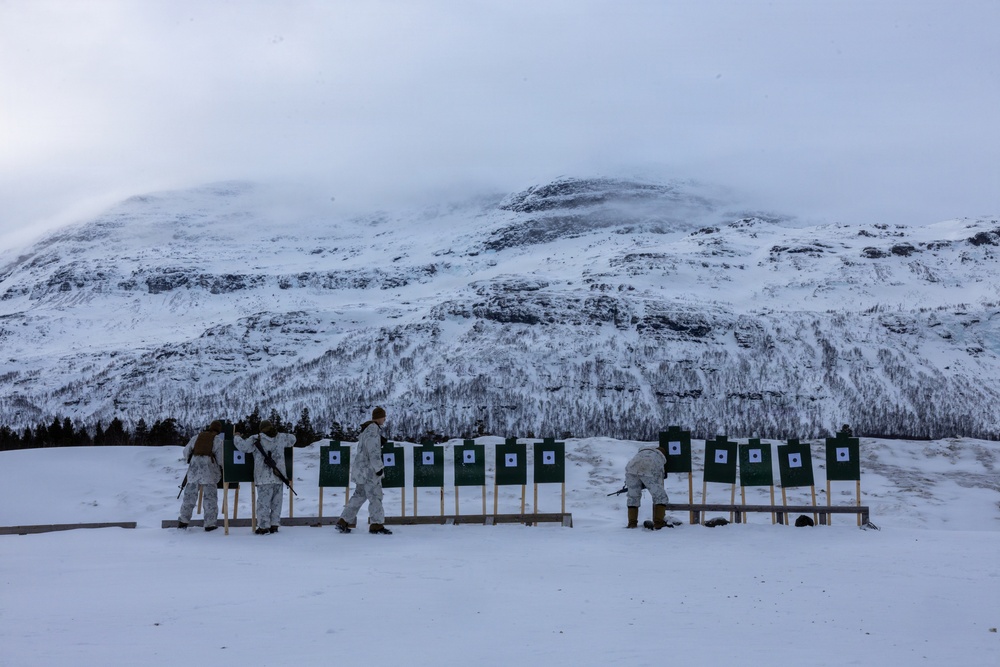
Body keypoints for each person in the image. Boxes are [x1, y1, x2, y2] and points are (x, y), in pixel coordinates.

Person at [335, 406, 392, 535]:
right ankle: (376, 524)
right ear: (380, 417)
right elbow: (373, 452)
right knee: (375, 496)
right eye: (384, 416)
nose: (384, 419)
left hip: (361, 470)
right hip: (369, 471)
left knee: (359, 496)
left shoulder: (367, 430)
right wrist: (379, 468)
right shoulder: (373, 430)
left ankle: (343, 521)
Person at [234, 419, 297, 534]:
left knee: (263, 503)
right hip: (279, 475)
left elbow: (243, 447)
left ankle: (263, 527)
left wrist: (237, 437)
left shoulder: (255, 438)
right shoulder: (281, 437)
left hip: (263, 477)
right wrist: (280, 434)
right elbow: (293, 439)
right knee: (276, 503)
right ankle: (274, 525)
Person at [177, 420, 225, 531]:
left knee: (189, 498)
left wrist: (192, 460)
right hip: (209, 472)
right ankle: (210, 524)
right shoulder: (217, 440)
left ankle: (183, 521)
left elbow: (186, 452)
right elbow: (221, 459)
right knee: (210, 499)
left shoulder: (196, 437)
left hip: (194, 471)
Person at [624, 442, 670, 529]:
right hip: (650, 467)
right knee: (660, 496)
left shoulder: (641, 453)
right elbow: (658, 479)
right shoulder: (658, 458)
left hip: (631, 468)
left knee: (633, 497)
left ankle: (632, 523)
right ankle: (659, 523)